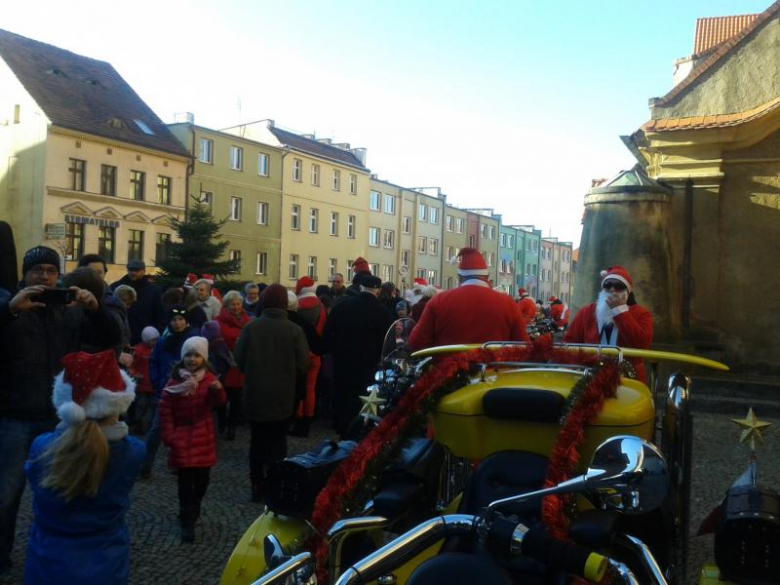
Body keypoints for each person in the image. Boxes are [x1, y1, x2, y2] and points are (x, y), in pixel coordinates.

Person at [0, 245, 121, 575]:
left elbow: (110, 338)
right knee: (5, 495)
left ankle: (53, 556)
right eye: (37, 270)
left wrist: (96, 310)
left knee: (61, 492)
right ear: (24, 274)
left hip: (60, 416)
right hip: (13, 415)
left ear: (59, 275)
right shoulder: (7, 306)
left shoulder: (70, 310)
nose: (44, 276)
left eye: (51, 271)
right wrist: (11, 310)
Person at [23, 350, 144, 584]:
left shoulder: (41, 447)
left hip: (47, 561)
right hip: (105, 563)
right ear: (118, 404)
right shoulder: (134, 452)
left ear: (64, 404)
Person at [234, 284, 309, 503]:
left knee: (257, 442)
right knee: (278, 441)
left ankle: (256, 485)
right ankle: (275, 486)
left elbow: (238, 359)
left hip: (256, 392)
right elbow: (303, 364)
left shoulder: (252, 327)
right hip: (284, 394)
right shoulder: (295, 330)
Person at [159, 336, 225, 543]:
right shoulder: (173, 382)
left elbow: (218, 404)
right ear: (182, 357)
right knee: (185, 484)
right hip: (181, 439)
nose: (192, 359)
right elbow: (165, 411)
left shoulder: (208, 380)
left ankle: (193, 506)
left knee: (202, 481)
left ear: (203, 359)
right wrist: (170, 437)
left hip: (203, 439)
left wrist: (218, 391)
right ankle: (187, 519)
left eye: (197, 355)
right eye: (188, 355)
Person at [408, 248, 529, 351]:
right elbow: (523, 346)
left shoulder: (439, 300)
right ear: (487, 277)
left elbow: (416, 342)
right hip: (495, 374)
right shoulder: (508, 303)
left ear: (459, 277)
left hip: (448, 375)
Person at [322, 275, 394, 437]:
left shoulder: (341, 307)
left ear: (361, 287)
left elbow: (327, 337)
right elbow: (389, 345)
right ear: (378, 290)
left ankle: (342, 437)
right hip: (369, 370)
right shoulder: (382, 312)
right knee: (364, 408)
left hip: (343, 366)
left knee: (344, 406)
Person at [564, 266, 653, 382]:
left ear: (628, 291)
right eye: (608, 285)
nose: (612, 290)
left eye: (619, 286)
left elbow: (642, 344)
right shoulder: (587, 312)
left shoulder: (641, 314)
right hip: (590, 376)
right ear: (602, 289)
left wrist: (620, 312)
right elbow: (570, 342)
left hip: (628, 377)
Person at [142, 306, 198, 479]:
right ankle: (145, 465)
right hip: (165, 391)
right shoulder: (163, 341)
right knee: (157, 429)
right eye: (174, 320)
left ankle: (180, 463)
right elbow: (154, 362)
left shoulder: (193, 340)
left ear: (186, 321)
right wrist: (157, 381)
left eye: (181, 319)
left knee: (184, 429)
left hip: (186, 392)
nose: (177, 323)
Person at [292, 277, 327, 437]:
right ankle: (308, 417)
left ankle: (298, 419)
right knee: (310, 388)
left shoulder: (296, 307)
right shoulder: (320, 307)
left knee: (297, 387)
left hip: (299, 353)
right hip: (315, 353)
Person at [214, 291, 251, 439]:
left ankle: (231, 426)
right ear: (226, 305)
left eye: (238, 304)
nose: (236, 307)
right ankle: (222, 422)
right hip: (223, 364)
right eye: (233, 304)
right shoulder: (218, 321)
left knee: (236, 398)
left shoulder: (247, 320)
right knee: (221, 397)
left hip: (239, 365)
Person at [110, 260, 166, 345]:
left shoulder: (154, 291)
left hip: (145, 338)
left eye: (136, 270)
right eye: (131, 270)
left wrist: (154, 337)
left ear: (143, 271)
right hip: (120, 337)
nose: (133, 273)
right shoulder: (115, 287)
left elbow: (160, 316)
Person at [127, 326, 159, 434]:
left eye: (156, 339)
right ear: (146, 340)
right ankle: (138, 424)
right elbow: (131, 365)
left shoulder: (158, 349)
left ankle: (150, 425)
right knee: (141, 406)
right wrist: (135, 374)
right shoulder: (138, 351)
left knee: (153, 406)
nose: (154, 342)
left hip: (154, 384)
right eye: (152, 340)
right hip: (142, 385)